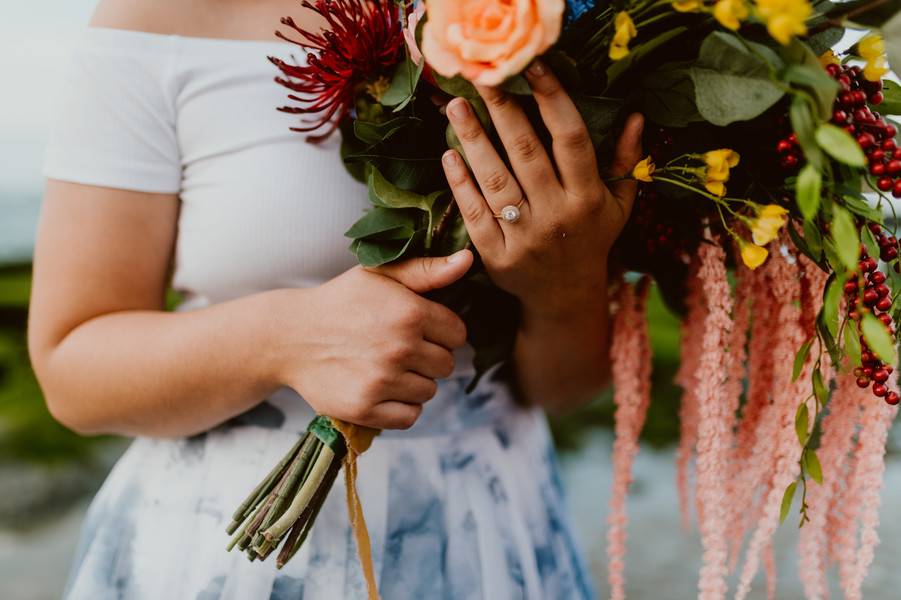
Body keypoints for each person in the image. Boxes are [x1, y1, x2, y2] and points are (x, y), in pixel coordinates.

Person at [28, 0, 643, 597]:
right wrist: (284, 337)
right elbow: (71, 371)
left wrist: (564, 284)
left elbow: (565, 391)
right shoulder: (156, 22)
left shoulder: (579, 24)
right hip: (225, 552)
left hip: (486, 531)